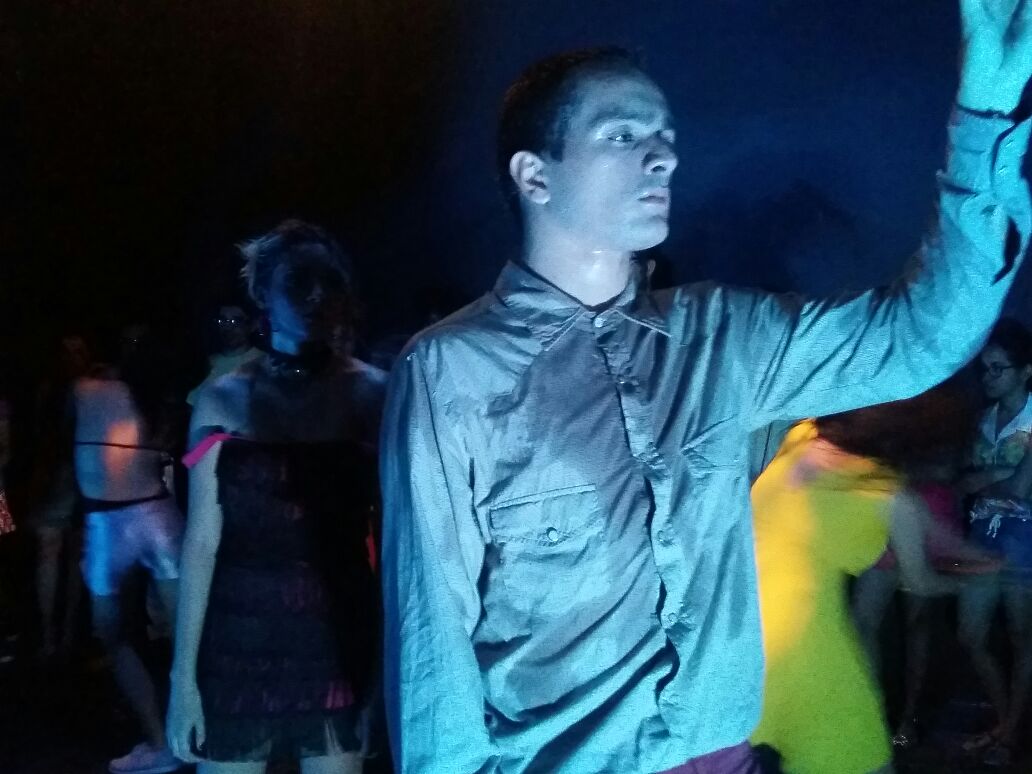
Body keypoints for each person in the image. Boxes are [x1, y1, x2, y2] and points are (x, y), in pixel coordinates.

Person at [378, 4, 1032, 772]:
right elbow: (432, 639)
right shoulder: (451, 371)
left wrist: (988, 113)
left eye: (665, 136)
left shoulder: (722, 335)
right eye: (622, 135)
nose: (662, 155)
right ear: (535, 175)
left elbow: (922, 336)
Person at [167, 221, 385, 774]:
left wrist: (382, 676)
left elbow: (393, 544)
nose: (316, 295)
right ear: (263, 292)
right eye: (299, 280)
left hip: (338, 640)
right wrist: (182, 680)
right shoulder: (221, 398)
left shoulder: (373, 393)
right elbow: (201, 542)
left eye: (329, 281)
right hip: (236, 640)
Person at [750, 401, 999, 774]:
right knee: (864, 759)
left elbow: (927, 528)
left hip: (742, 635)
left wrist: (969, 557)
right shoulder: (884, 493)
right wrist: (968, 579)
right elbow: (920, 581)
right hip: (804, 646)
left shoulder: (802, 435)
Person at [74, 324, 185, 774]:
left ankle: (167, 741)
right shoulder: (155, 396)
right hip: (149, 516)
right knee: (181, 635)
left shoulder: (88, 389)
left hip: (115, 520)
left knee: (121, 636)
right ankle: (180, 739)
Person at [955, 318, 1032, 763]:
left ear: (1026, 371)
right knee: (970, 633)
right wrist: (1005, 474)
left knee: (1022, 635)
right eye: (984, 369)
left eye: (998, 368)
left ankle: (1008, 733)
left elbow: (1021, 490)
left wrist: (992, 479)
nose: (987, 377)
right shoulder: (983, 419)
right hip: (983, 533)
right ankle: (1007, 723)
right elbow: (964, 483)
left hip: (1025, 536)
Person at [26, 333, 92, 660]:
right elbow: (39, 438)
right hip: (57, 479)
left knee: (74, 555)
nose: (72, 358)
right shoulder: (49, 391)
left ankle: (65, 633)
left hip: (84, 479)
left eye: (78, 351)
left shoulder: (94, 390)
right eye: (67, 352)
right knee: (51, 552)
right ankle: (50, 633)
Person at [186, 305, 262, 407]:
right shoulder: (211, 361)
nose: (227, 327)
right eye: (222, 320)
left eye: (235, 321)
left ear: (252, 325)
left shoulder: (262, 362)